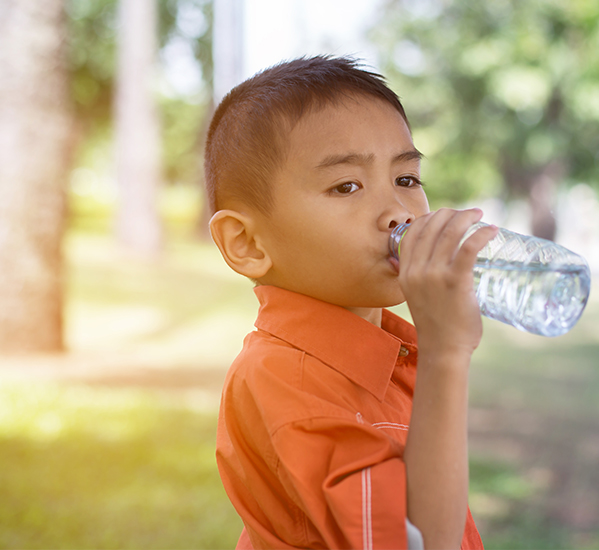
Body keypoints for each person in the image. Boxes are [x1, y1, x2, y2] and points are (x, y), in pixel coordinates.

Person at [205, 55, 498, 550]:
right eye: (347, 186)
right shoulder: (284, 378)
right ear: (247, 243)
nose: (397, 212)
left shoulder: (388, 355)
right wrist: (448, 352)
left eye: (406, 179)